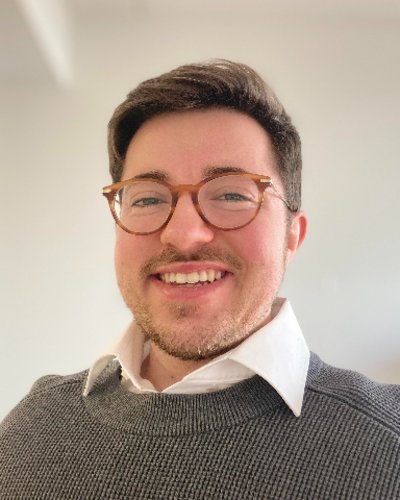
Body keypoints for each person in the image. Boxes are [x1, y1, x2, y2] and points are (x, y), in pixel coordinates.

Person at [0, 60, 399, 499]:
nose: (184, 234)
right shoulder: (28, 430)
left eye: (231, 193)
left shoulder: (388, 445)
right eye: (147, 199)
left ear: (292, 236)